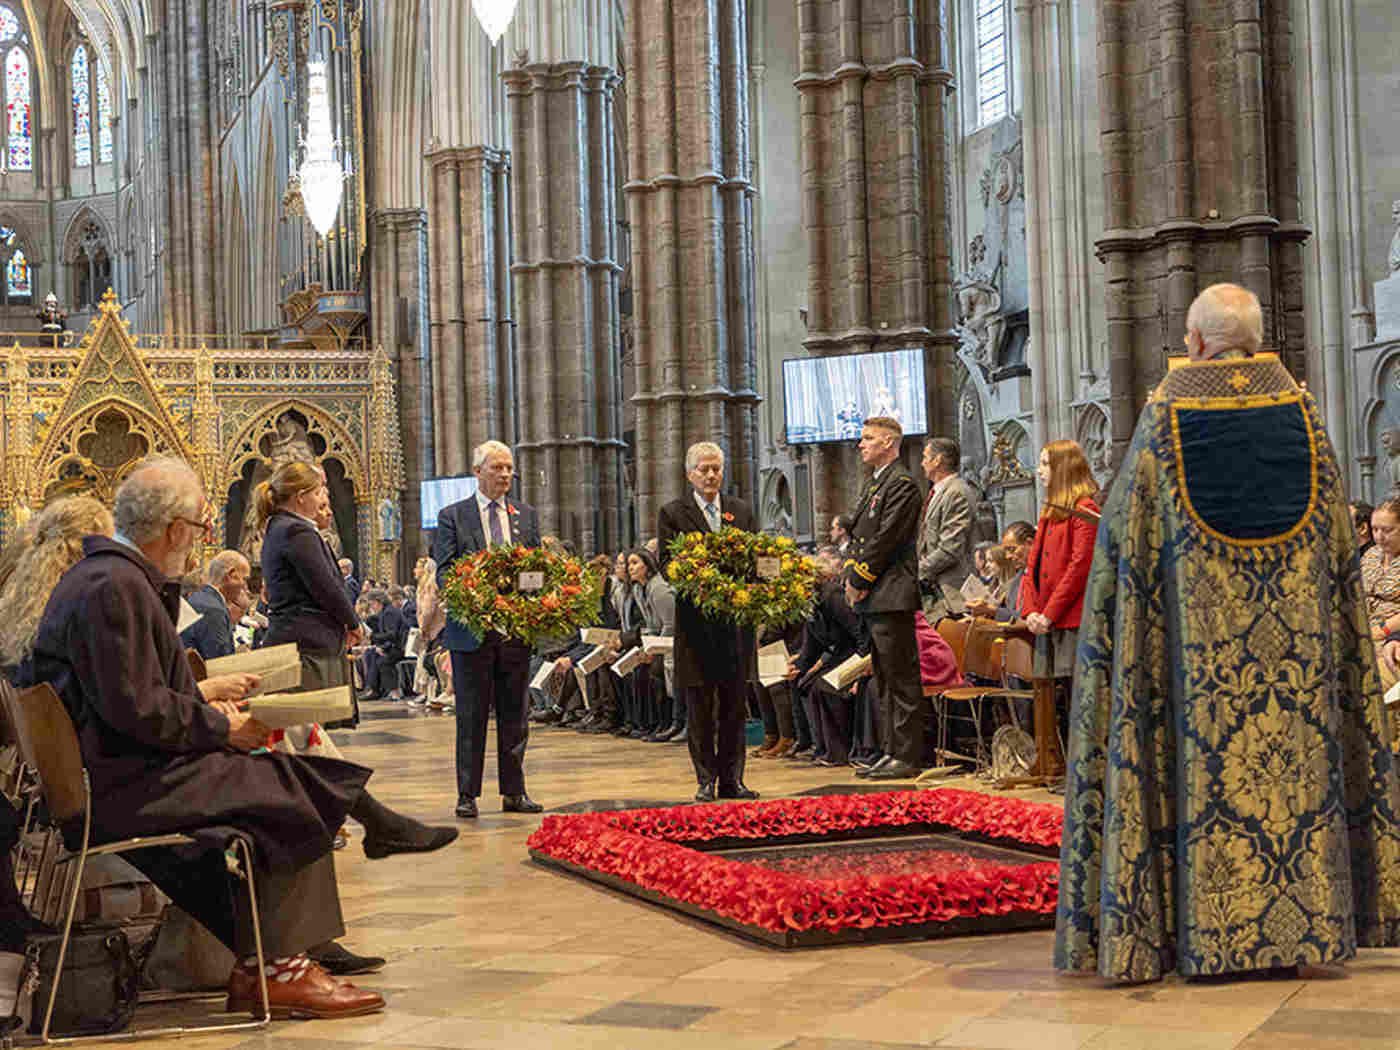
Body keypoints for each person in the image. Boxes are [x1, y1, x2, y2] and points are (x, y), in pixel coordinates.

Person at [15, 457, 458, 1017]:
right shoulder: (113, 586)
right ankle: (282, 968)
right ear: (174, 529)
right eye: (199, 527)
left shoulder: (105, 578)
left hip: (115, 775)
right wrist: (224, 725)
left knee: (284, 774)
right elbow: (137, 710)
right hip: (125, 787)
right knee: (285, 794)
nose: (198, 542)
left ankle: (269, 963)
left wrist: (208, 702)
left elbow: (131, 698)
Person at [1055, 282, 1400, 984]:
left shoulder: (1162, 424)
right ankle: (1307, 924)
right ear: (1255, 337)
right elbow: (1340, 555)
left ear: (1194, 342)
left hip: (1194, 676)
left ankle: (1194, 933)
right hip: (1299, 676)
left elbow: (1122, 548)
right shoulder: (1306, 422)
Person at [433, 439, 543, 819]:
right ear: (477, 471)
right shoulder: (453, 516)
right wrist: (477, 597)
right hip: (472, 631)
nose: (505, 474)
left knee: (515, 714)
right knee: (472, 715)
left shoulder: (525, 515)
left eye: (509, 468)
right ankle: (468, 793)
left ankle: (515, 791)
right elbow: (445, 571)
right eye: (497, 468)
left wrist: (530, 597)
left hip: (514, 631)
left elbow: (536, 569)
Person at [657, 441, 759, 802]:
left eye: (716, 468)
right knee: (700, 708)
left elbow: (754, 558)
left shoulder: (740, 510)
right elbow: (669, 566)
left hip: (734, 625)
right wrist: (705, 580)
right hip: (696, 626)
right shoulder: (673, 513)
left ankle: (733, 779)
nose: (712, 475)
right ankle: (705, 779)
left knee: (734, 706)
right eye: (704, 469)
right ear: (690, 475)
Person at [843, 417, 925, 781]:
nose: (861, 444)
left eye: (868, 438)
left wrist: (860, 578)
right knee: (885, 679)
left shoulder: (902, 484)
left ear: (890, 442)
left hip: (891, 591)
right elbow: (860, 534)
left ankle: (907, 754)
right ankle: (890, 749)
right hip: (877, 593)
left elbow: (886, 538)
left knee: (901, 678)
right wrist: (853, 576)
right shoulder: (877, 482)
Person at [258, 461, 364, 693]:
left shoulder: (280, 526)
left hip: (295, 637)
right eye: (317, 493)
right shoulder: (296, 531)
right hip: (306, 643)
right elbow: (325, 586)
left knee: (304, 726)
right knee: (306, 723)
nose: (320, 501)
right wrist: (353, 622)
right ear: (301, 497)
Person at [1019, 441, 1099, 697]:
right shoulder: (1051, 510)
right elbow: (1033, 565)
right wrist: (1030, 610)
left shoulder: (1085, 509)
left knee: (1079, 695)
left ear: (1063, 468)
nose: (1039, 471)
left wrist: (1049, 614)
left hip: (1071, 619)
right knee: (1059, 696)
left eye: (1045, 464)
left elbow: (1080, 568)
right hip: (1047, 619)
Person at [916, 436, 977, 624]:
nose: (922, 463)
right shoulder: (938, 491)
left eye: (926, 457)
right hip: (933, 593)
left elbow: (951, 549)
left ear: (938, 460)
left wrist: (916, 571)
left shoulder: (957, 491)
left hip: (950, 595)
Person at [180, 549, 250, 660]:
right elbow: (221, 664)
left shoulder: (201, 598)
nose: (245, 586)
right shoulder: (213, 610)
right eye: (244, 579)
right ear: (231, 575)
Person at [1363, 499, 1400, 692]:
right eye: (1375, 529)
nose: (1379, 537)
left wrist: (1382, 631)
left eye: (1387, 530)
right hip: (1363, 630)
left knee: (1369, 686)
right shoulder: (1370, 554)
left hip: (1392, 635)